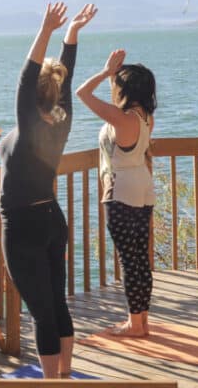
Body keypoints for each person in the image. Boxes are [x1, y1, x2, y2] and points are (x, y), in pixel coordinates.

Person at [0, 1, 97, 379]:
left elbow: (26, 80)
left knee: (41, 311)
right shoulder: (60, 122)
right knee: (56, 302)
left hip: (23, 225)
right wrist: (69, 35)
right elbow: (65, 80)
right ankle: (64, 375)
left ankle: (52, 383)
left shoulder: (27, 128)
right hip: (52, 218)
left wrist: (45, 30)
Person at [76, 49, 157, 337]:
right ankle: (141, 319)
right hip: (143, 185)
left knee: (128, 260)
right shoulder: (146, 117)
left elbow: (81, 93)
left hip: (121, 189)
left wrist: (104, 72)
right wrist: (112, 75)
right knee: (140, 259)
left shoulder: (123, 119)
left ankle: (135, 324)